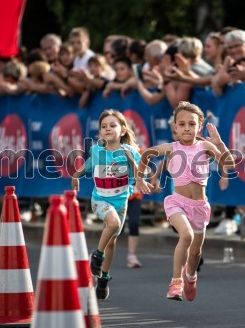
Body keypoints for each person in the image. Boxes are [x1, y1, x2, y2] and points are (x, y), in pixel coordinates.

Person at [136, 101, 235, 301]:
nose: (186, 128)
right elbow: (146, 154)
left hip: (199, 206)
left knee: (195, 253)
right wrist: (140, 177)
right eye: (181, 124)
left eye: (191, 124)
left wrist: (219, 143)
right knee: (186, 235)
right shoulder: (171, 148)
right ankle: (175, 282)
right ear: (175, 128)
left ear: (199, 126)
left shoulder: (205, 146)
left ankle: (190, 277)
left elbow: (229, 163)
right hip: (177, 203)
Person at [71, 109, 151, 300]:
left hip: (121, 201)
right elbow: (87, 165)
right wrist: (75, 176)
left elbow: (142, 171)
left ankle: (104, 278)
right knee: (113, 225)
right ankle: (97, 256)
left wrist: (140, 180)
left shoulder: (130, 152)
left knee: (112, 240)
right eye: (103, 126)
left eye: (112, 125)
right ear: (100, 132)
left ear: (123, 130)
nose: (107, 129)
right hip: (99, 200)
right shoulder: (98, 151)